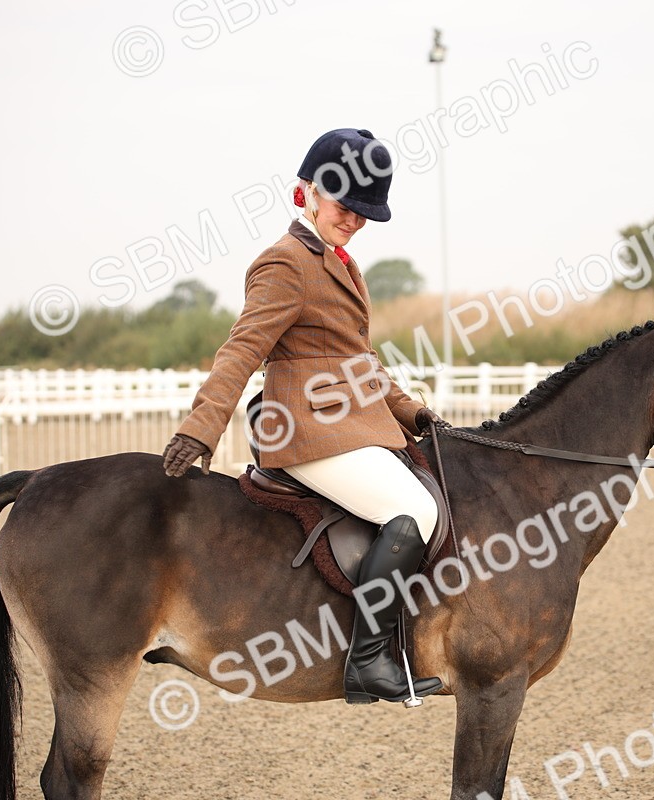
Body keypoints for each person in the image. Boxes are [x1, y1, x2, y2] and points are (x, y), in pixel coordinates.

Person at [161, 128, 445, 705]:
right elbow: (242, 349)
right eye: (346, 206)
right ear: (308, 192)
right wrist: (201, 425)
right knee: (413, 507)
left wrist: (411, 412)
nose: (355, 221)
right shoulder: (287, 263)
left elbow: (358, 362)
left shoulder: (340, 263)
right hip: (305, 430)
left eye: (365, 214)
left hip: (350, 425)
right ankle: (369, 662)